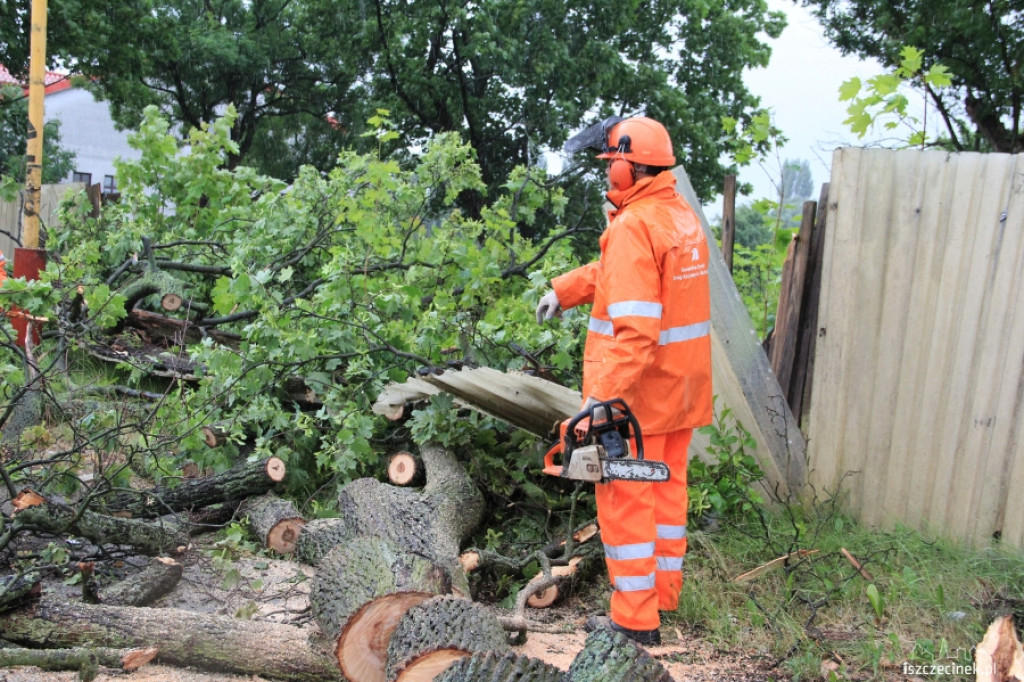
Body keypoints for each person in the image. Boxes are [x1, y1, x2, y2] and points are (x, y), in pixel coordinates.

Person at [535, 115, 712, 646]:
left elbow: (635, 333)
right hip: (681, 391)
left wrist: (600, 403)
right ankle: (661, 598)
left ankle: (635, 622)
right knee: (668, 496)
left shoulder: (635, 225)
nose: (607, 171)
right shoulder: (675, 214)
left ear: (629, 166)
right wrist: (565, 289)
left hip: (638, 399)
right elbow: (619, 273)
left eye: (611, 161)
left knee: (628, 501)